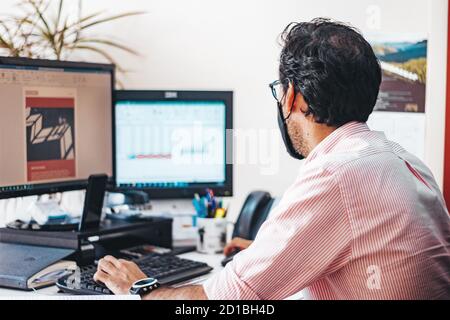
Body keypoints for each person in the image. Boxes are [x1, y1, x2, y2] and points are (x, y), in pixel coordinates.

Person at [94, 18, 450, 300]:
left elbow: (224, 299)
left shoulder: (336, 173)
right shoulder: (406, 162)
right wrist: (266, 253)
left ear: (291, 96)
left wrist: (141, 287)